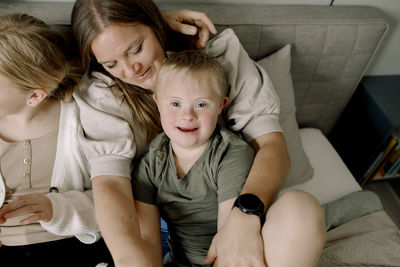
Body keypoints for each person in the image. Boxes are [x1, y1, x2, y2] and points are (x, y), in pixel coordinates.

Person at [71, 0, 327, 266]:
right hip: (172, 236)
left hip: (247, 210)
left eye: (136, 49)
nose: (130, 70)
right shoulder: (104, 95)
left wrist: (243, 217)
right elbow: (110, 184)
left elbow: (272, 146)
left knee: (302, 208)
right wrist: (129, 260)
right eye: (111, 63)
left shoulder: (219, 64)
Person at [0, 13, 114, 266]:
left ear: (34, 97)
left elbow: (116, 199)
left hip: (75, 245)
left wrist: (58, 209)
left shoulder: (83, 115)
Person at [133, 50, 255, 267]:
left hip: (230, 258)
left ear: (220, 106)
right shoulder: (151, 165)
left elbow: (230, 236)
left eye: (200, 104)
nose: (187, 115)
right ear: (157, 102)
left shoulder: (230, 154)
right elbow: (148, 240)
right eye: (175, 104)